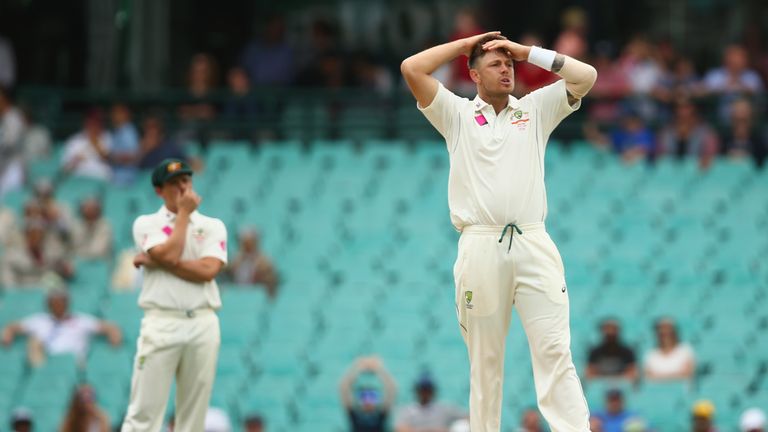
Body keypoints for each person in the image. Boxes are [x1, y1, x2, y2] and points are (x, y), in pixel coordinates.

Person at [400, 31, 597, 432]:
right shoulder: (454, 114)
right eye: (495, 64)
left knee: (555, 349)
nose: (506, 69)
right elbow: (411, 69)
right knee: (485, 359)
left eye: (509, 64)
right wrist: (464, 44)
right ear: (473, 74)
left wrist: (529, 53)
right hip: (481, 243)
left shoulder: (535, 109)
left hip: (532, 239)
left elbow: (586, 77)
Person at [121, 158, 228, 431]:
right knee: (144, 412)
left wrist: (156, 261)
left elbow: (208, 271)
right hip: (162, 321)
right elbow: (170, 253)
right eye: (174, 183)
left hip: (203, 320)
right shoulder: (147, 223)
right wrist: (182, 216)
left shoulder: (213, 225)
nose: (182, 187)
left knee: (192, 417)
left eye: (186, 180)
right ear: (159, 191)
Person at [0, 289, 121, 364]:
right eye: (54, 303)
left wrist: (114, 339)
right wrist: (7, 335)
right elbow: (13, 326)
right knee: (34, 342)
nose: (57, 306)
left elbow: (109, 327)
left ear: (67, 303)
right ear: (48, 305)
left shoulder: (80, 320)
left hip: (72, 363)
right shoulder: (40, 320)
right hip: (45, 361)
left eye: (60, 302)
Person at [0, 218, 74, 287]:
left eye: (40, 234)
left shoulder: (53, 252)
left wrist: (67, 272)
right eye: (33, 234)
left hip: (47, 292)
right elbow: (8, 283)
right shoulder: (11, 256)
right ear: (26, 235)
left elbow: (66, 274)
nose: (37, 238)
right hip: (23, 293)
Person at [656, 98, 719, 169]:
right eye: (679, 108)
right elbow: (660, 154)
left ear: (694, 109)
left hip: (697, 170)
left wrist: (706, 158)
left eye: (687, 108)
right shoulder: (666, 131)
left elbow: (711, 153)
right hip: (671, 170)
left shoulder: (706, 131)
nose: (683, 112)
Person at [339, 356, 397, 432]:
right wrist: (357, 368)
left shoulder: (380, 415)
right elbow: (344, 388)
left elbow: (391, 389)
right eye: (364, 396)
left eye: (372, 396)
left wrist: (379, 369)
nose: (368, 400)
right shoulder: (355, 415)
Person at [394, 374, 466, 432]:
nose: (425, 393)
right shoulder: (408, 411)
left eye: (427, 389)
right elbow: (400, 429)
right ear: (416, 391)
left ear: (433, 391)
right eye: (422, 389)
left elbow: (467, 417)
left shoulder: (444, 409)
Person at [61, 110, 112, 181]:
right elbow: (65, 169)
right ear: (86, 122)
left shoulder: (109, 138)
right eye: (91, 122)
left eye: (97, 122)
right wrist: (75, 161)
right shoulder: (75, 140)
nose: (94, 125)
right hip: (78, 180)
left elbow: (112, 162)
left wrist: (96, 144)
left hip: (100, 179)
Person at [229, 228, 279, 297]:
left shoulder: (264, 259)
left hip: (257, 293)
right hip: (237, 292)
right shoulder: (236, 258)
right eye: (245, 241)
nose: (247, 244)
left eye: (249, 241)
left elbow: (270, 275)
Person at [720, 98, 766, 168]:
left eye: (744, 120)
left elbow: (762, 168)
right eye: (737, 119)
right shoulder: (723, 141)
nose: (740, 124)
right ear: (731, 119)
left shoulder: (760, 143)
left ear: (752, 119)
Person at [0, 85, 25, 196]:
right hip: (3, 168)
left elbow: (9, 144)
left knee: (8, 205)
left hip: (12, 168)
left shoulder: (14, 117)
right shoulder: (3, 117)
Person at [109, 103, 141, 186]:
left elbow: (133, 156)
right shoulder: (117, 131)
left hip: (127, 180)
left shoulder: (128, 132)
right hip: (117, 178)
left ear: (126, 114)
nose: (114, 116)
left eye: (118, 113)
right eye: (114, 113)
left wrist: (111, 157)